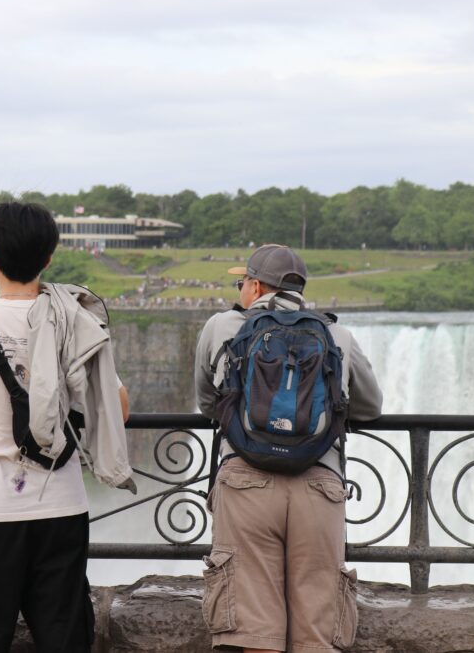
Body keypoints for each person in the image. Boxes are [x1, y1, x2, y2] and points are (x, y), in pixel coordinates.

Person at [0, 201, 134, 652]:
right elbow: (117, 409)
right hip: (61, 508)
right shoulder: (74, 323)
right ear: (49, 258)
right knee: (64, 637)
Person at [194, 243, 382, 653]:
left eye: (242, 282)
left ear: (256, 286)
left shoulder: (222, 327)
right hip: (319, 482)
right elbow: (370, 407)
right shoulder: (336, 334)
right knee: (318, 631)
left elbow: (207, 402)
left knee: (254, 629)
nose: (240, 289)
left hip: (244, 482)